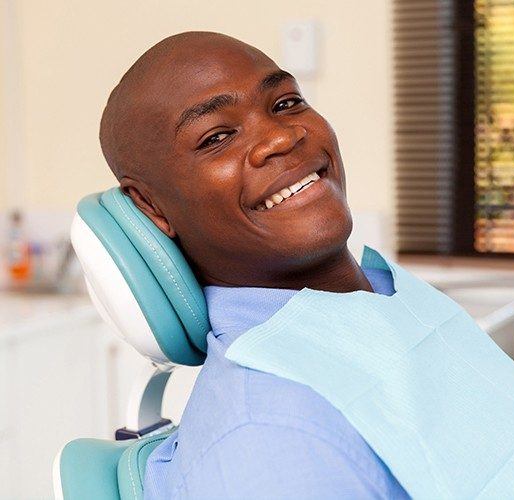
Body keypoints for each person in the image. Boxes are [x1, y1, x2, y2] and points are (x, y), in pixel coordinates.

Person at [100, 31, 409, 499]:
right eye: (217, 137)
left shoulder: (388, 297)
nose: (282, 137)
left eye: (285, 103)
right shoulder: (274, 442)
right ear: (151, 206)